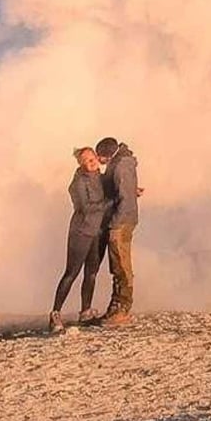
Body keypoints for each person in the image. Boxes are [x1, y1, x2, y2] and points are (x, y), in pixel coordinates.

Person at [49, 146, 108, 332]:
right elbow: (85, 207)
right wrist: (112, 202)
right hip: (81, 232)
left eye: (93, 159)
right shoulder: (78, 183)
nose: (92, 163)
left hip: (96, 231)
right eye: (87, 161)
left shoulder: (99, 177)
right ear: (81, 165)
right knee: (72, 272)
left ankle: (85, 311)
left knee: (91, 272)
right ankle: (55, 314)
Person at [95, 136, 140, 325]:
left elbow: (126, 200)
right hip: (122, 220)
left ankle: (122, 309)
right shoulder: (122, 163)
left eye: (99, 157)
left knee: (121, 265)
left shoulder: (121, 166)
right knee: (118, 264)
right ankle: (116, 307)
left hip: (121, 222)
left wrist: (115, 223)